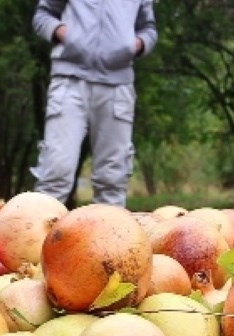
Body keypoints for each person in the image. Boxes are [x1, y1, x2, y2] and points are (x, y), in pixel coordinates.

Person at [30, 0, 158, 208]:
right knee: (55, 173)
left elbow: (149, 29)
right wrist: (65, 33)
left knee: (113, 179)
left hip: (118, 85)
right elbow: (42, 16)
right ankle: (34, 238)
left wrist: (135, 44)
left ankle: (109, 239)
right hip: (69, 80)